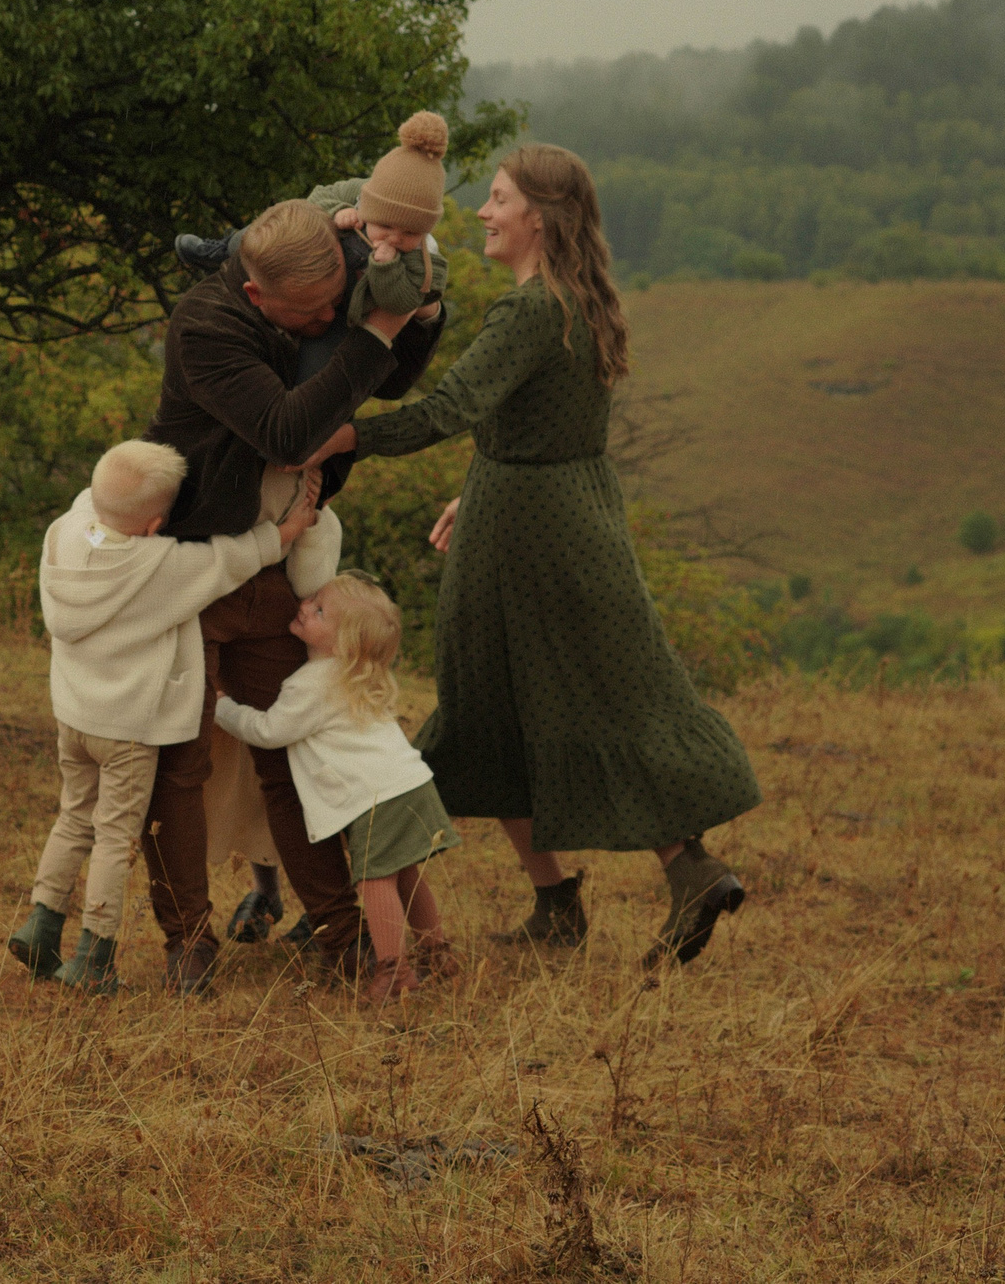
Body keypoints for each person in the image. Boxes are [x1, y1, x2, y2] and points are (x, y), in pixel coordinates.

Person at [297, 144, 762, 967]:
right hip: (574, 511)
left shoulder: (526, 311)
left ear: (538, 219)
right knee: (577, 701)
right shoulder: (584, 299)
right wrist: (480, 486)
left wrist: (343, 434)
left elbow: (449, 407)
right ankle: (638, 879)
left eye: (499, 199)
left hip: (521, 536)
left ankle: (617, 884)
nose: (482, 211)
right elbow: (545, 426)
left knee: (488, 706)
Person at [142, 194, 445, 993]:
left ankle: (346, 937)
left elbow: (382, 380)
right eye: (308, 315)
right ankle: (187, 942)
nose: (321, 326)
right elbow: (287, 431)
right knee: (179, 762)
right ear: (255, 295)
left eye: (330, 311)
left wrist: (415, 311)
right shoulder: (205, 329)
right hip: (196, 563)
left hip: (277, 569)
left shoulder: (320, 279)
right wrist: (372, 333)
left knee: (287, 756)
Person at [7, 441, 325, 994]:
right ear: (157, 524)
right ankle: (94, 956)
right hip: (129, 731)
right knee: (114, 838)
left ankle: (42, 922)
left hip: (75, 719)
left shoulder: (65, 532)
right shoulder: (161, 565)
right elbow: (233, 558)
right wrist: (291, 527)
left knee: (74, 816)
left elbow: (96, 500)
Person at [213, 574, 459, 1002]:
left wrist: (222, 707)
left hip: (377, 798)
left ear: (342, 643)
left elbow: (270, 731)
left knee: (374, 880)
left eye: (320, 611)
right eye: (314, 600)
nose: (305, 606)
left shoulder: (312, 683)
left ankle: (393, 971)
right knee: (405, 875)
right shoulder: (358, 676)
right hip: (411, 786)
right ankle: (435, 952)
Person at [176, 110, 451, 330]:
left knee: (314, 364)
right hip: (310, 264)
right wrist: (337, 211)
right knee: (268, 230)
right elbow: (317, 197)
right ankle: (219, 251)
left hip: (344, 314)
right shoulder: (362, 194)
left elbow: (402, 302)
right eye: (386, 226)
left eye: (410, 232)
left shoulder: (426, 257)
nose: (395, 238)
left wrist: (387, 267)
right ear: (369, 203)